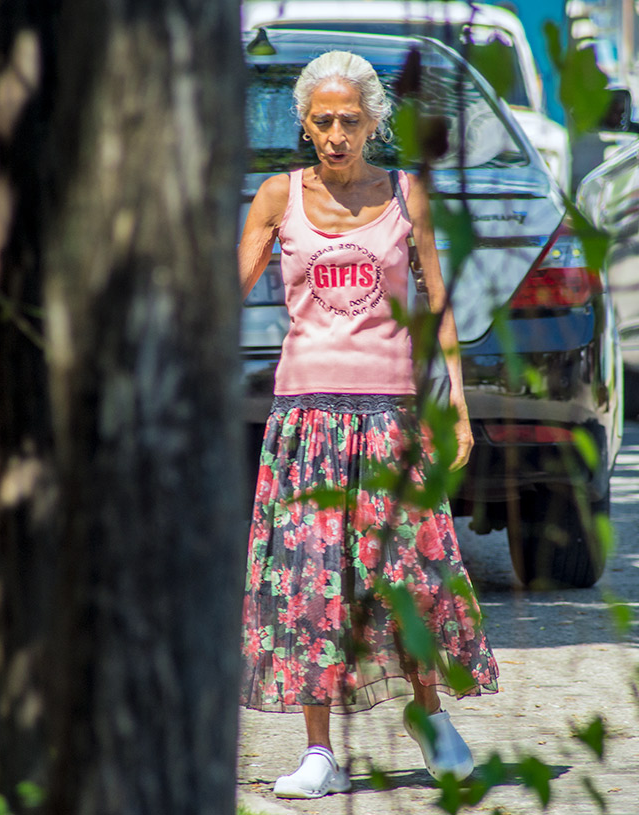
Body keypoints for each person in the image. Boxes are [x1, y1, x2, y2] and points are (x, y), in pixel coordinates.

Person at [238, 49, 499, 799]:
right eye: (322, 121)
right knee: (311, 586)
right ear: (305, 125)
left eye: (350, 120)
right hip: (306, 419)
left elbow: (437, 301)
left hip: (389, 416)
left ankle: (429, 713)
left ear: (374, 122)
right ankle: (319, 750)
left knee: (408, 578)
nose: (336, 134)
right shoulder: (276, 197)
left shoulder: (405, 196)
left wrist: (455, 398)